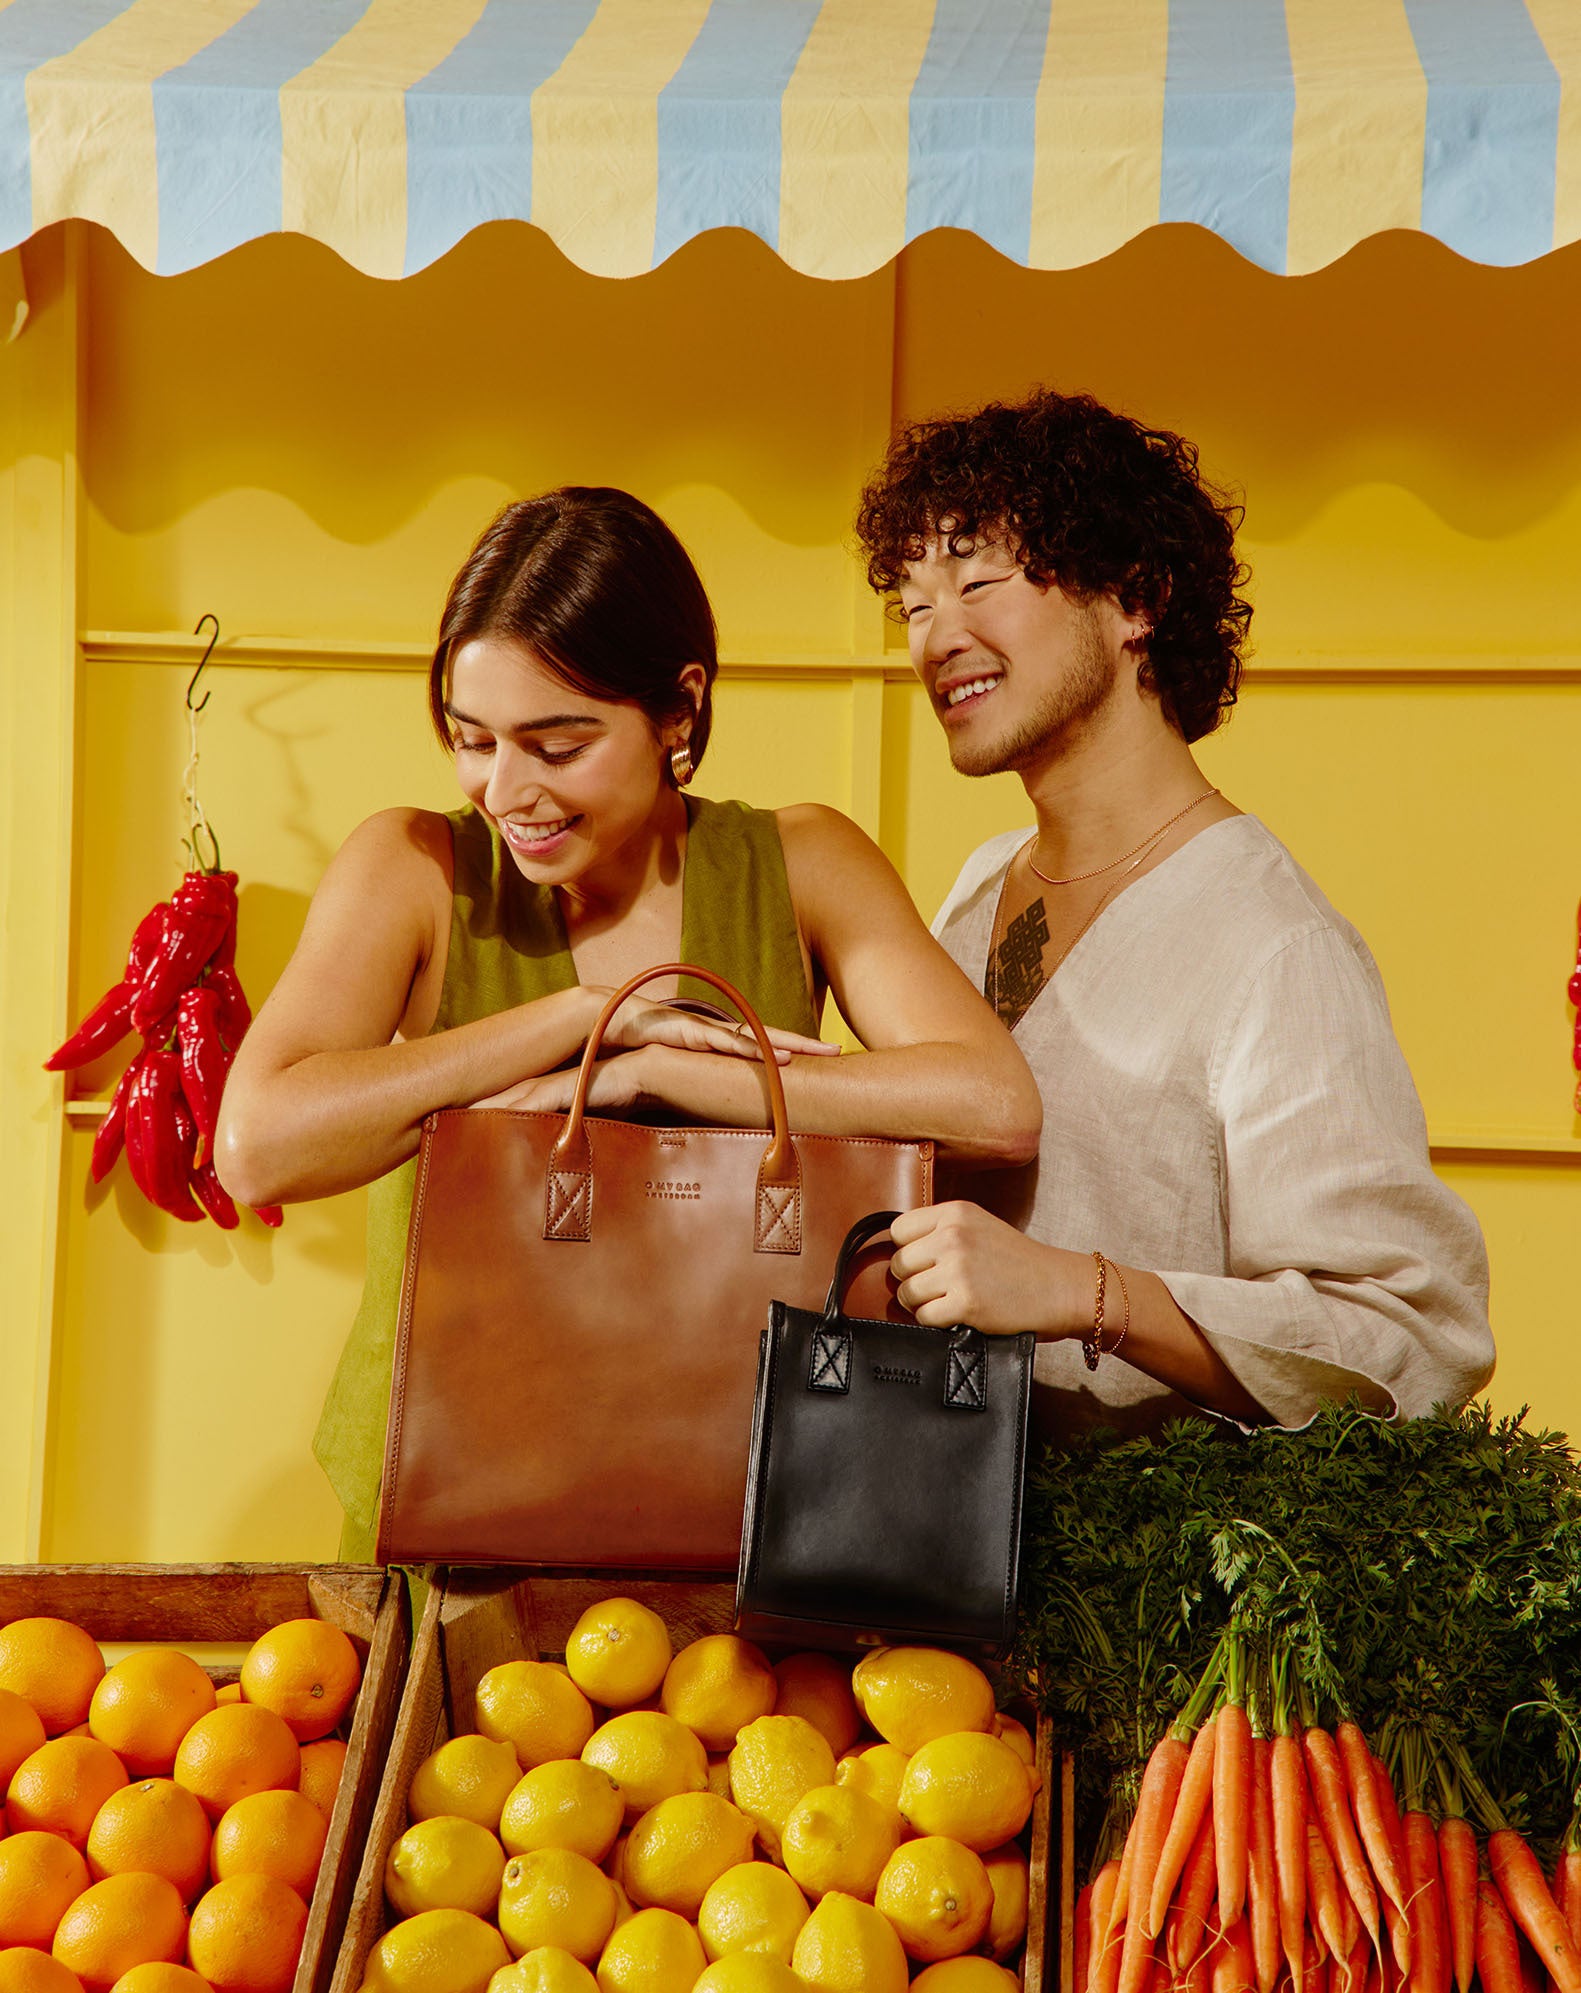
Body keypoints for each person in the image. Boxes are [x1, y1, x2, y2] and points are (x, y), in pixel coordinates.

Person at [216, 485, 1042, 1556]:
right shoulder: (415, 869)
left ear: (678, 708)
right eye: (472, 739)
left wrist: (664, 1076)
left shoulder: (800, 865)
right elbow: (258, 1147)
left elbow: (995, 1104)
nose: (504, 790)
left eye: (556, 747)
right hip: (455, 1507)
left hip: (753, 1502)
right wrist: (583, 1019)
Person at [852, 388, 1494, 1436]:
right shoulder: (978, 884)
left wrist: (1080, 1291)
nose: (937, 638)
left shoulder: (1274, 946)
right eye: (916, 605)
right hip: (940, 1535)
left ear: (1136, 598)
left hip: (1144, 1574)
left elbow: (1411, 1336)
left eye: (978, 582)